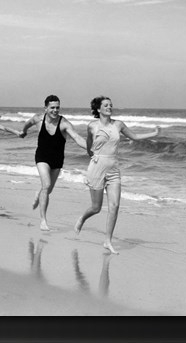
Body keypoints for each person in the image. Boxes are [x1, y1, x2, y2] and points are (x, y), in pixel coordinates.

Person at [74, 96, 161, 254]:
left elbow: (134, 136)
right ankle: (82, 218)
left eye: (111, 105)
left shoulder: (118, 124)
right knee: (96, 208)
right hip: (97, 168)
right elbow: (89, 146)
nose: (109, 107)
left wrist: (153, 134)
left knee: (114, 206)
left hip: (113, 170)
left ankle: (108, 241)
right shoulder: (92, 126)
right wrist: (92, 156)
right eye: (106, 105)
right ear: (98, 109)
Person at [20, 95, 87, 231]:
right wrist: (23, 131)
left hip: (57, 159)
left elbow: (77, 138)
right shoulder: (38, 119)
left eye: (57, 107)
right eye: (52, 108)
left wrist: (91, 149)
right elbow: (28, 123)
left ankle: (38, 194)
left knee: (48, 190)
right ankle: (43, 221)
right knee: (47, 184)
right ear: (45, 108)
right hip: (42, 157)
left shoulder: (64, 124)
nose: (55, 110)